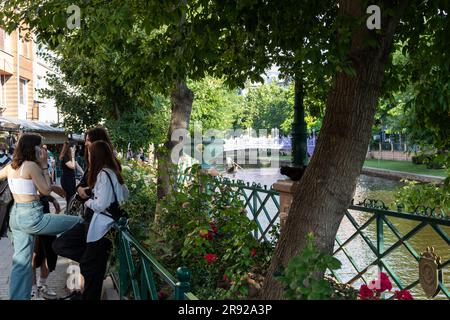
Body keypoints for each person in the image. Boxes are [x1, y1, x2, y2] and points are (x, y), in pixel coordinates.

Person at [0, 133, 82, 300]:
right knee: (79, 222)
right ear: (33, 148)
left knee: (21, 264)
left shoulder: (11, 166)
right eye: (41, 145)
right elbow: (45, 190)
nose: (44, 149)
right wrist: (44, 165)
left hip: (16, 215)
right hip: (32, 216)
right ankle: (82, 259)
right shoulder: (32, 166)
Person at [52, 126, 122, 300]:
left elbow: (101, 202)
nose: (87, 147)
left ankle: (92, 267)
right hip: (93, 222)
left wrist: (88, 197)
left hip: (100, 224)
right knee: (67, 249)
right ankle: (91, 264)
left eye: (90, 142)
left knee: (92, 270)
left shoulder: (106, 171)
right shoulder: (105, 169)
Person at [31, 194, 63, 300]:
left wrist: (53, 199)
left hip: (45, 218)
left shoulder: (41, 177)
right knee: (33, 255)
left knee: (50, 253)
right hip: (30, 218)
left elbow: (44, 191)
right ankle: (33, 289)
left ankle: (41, 284)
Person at [59, 141, 83, 206]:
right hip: (66, 179)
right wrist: (73, 156)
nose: (75, 149)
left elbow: (77, 166)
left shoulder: (71, 157)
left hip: (71, 178)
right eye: (74, 148)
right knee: (70, 197)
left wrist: (84, 174)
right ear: (70, 148)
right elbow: (72, 166)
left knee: (73, 195)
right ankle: (68, 211)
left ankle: (70, 210)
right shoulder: (65, 157)